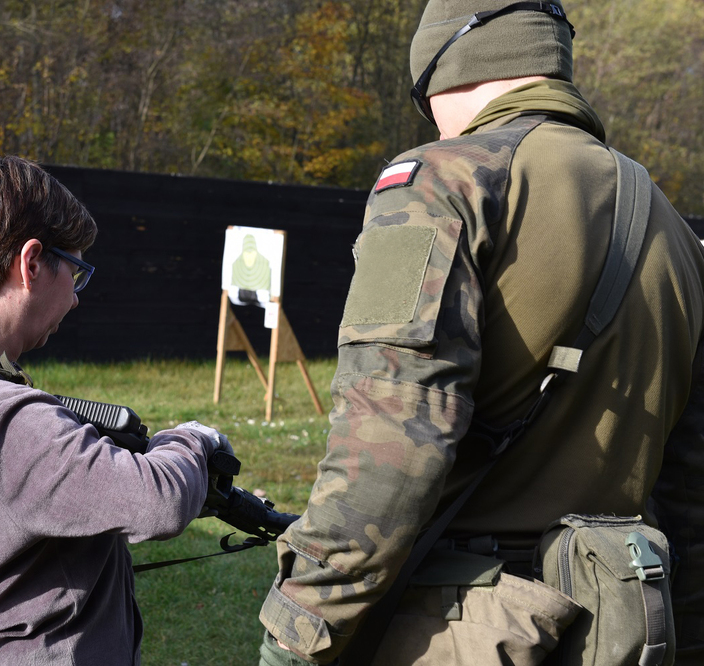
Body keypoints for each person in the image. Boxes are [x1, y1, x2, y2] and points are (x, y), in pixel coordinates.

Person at [257, 1, 704, 664]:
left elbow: (391, 432)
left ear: (447, 67)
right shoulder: (673, 227)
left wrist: (300, 626)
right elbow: (691, 488)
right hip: (623, 633)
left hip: (460, 629)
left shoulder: (442, 180)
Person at [0, 156, 230, 665]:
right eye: (76, 271)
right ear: (31, 263)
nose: (74, 298)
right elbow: (160, 501)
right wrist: (191, 438)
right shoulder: (1, 423)